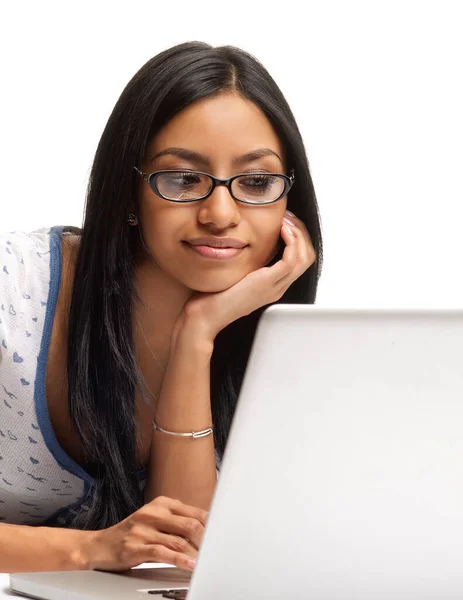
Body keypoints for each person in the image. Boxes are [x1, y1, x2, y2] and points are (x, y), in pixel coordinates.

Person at [0, 41, 322, 573]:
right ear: (128, 194)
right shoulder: (17, 290)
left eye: (257, 182)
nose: (220, 213)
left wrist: (197, 336)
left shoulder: (265, 350)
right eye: (183, 179)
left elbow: (177, 558)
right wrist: (87, 550)